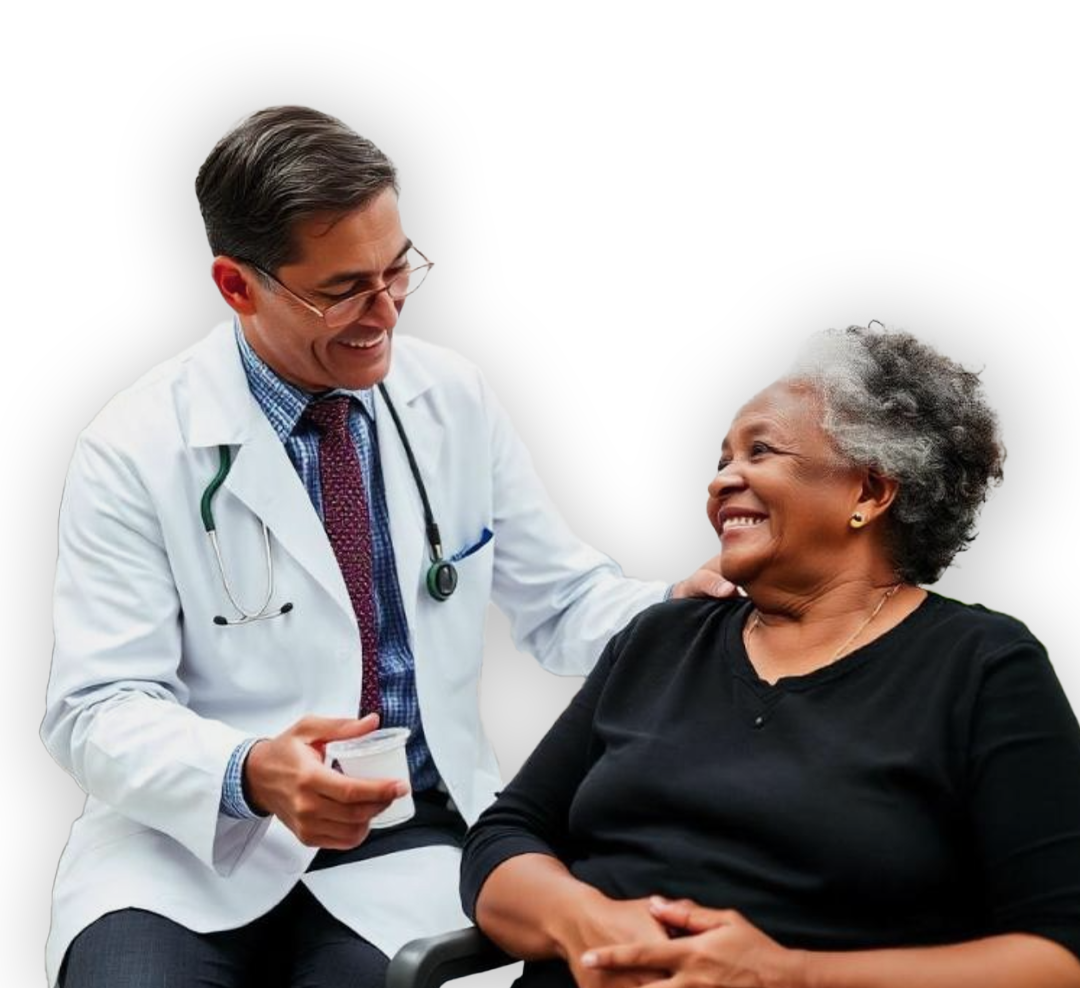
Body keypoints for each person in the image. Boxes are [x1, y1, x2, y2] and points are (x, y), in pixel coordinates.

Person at [40, 101, 730, 988]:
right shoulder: (131, 444)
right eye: (341, 290)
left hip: (408, 837)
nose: (385, 312)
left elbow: (562, 607)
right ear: (235, 284)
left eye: (399, 269)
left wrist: (685, 603)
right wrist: (248, 771)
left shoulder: (453, 396)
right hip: (187, 846)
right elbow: (94, 708)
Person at [460, 318, 1080, 988]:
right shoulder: (661, 638)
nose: (723, 482)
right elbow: (502, 841)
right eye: (723, 459)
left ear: (869, 492)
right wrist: (588, 925)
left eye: (762, 452)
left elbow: (1055, 958)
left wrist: (785, 975)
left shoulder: (985, 667)